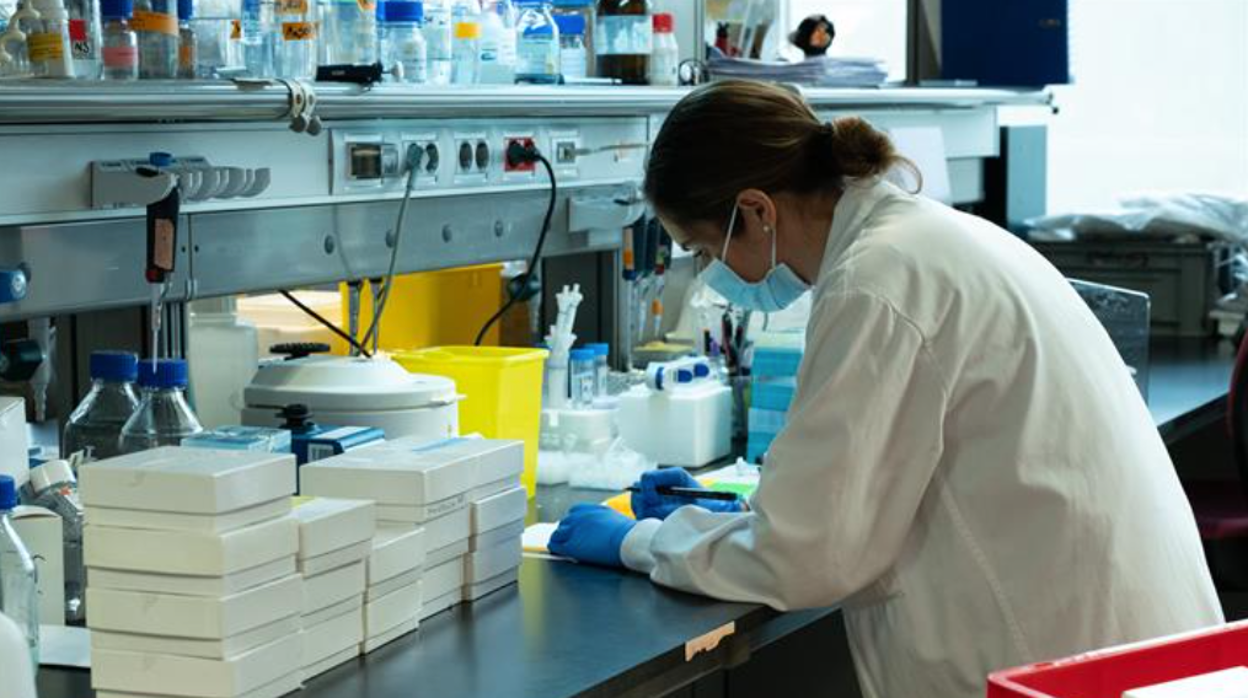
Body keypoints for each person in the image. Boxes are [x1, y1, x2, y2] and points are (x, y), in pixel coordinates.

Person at [549, 80, 1224, 698]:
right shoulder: (930, 239)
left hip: (1067, 665)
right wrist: (732, 518)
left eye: (701, 247)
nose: (708, 272)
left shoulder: (878, 283)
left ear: (754, 212)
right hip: (1145, 654)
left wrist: (640, 543)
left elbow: (804, 558)